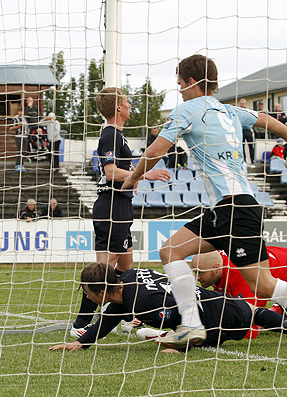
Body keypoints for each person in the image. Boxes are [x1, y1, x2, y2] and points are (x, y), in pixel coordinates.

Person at [122, 54, 287, 355]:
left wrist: (134, 177)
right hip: (237, 206)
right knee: (180, 254)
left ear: (191, 82)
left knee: (261, 285)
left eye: (180, 84)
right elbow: (266, 120)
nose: (180, 90)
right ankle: (192, 323)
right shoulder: (229, 110)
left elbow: (155, 151)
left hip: (232, 207)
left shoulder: (187, 109)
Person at [71, 87, 170, 338]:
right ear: (117, 107)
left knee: (126, 264)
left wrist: (132, 181)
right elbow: (110, 172)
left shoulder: (119, 135)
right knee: (105, 267)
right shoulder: (110, 135)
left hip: (121, 203)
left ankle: (127, 317)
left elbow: (120, 173)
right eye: (126, 102)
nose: (129, 105)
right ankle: (81, 323)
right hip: (111, 205)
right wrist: (142, 174)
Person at [50, 263, 287, 352]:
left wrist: (179, 345)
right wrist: (82, 343)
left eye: (87, 292)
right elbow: (108, 319)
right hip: (209, 299)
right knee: (252, 312)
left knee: (249, 316)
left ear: (101, 291)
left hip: (211, 319)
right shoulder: (128, 280)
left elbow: (179, 318)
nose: (86, 296)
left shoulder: (141, 304)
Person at [191, 247, 287, 331]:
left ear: (217, 268)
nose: (196, 278)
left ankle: (278, 311)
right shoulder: (215, 265)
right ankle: (278, 311)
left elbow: (249, 333)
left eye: (200, 273)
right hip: (268, 264)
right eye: (195, 272)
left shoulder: (241, 275)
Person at [10, 107, 28, 172]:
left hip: (25, 136)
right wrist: (19, 126)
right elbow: (11, 127)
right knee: (20, 150)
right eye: (20, 111)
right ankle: (17, 165)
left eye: (22, 111)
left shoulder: (25, 119)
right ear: (18, 112)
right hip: (19, 136)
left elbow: (27, 126)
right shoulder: (15, 118)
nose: (21, 113)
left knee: (24, 151)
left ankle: (22, 165)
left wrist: (27, 130)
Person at [238, 99, 255, 164]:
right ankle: (244, 160)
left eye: (243, 103)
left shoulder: (248, 111)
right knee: (242, 146)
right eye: (241, 103)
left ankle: (252, 160)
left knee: (251, 146)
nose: (242, 105)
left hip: (248, 130)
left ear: (245, 104)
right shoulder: (238, 111)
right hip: (241, 130)